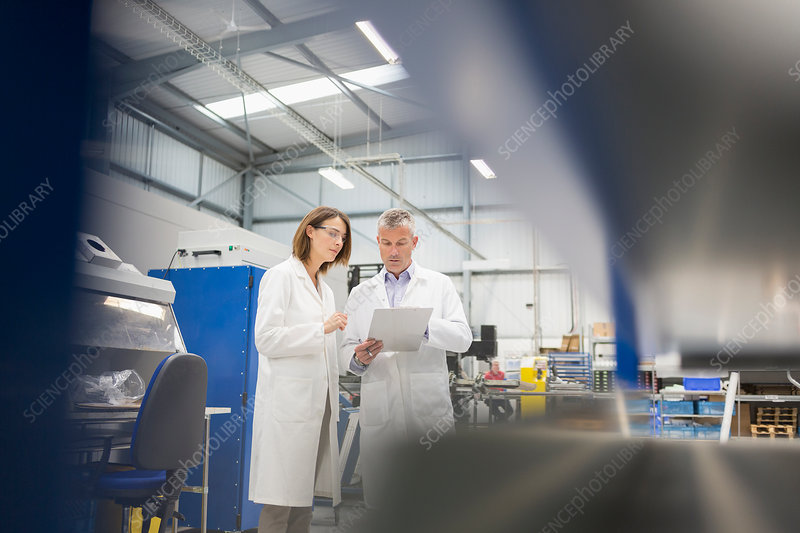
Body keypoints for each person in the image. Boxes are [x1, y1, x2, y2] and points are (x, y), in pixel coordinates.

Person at [340, 208, 473, 506]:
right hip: (381, 412)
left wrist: (424, 327)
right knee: (384, 504)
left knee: (432, 503)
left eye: (401, 242)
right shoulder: (360, 293)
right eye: (386, 243)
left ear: (414, 242)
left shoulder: (438, 285)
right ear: (378, 242)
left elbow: (463, 338)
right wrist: (357, 358)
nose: (394, 251)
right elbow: (345, 348)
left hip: (427, 414)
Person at [249, 206, 351, 533]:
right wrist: (320, 329)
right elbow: (265, 339)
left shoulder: (327, 288)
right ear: (310, 230)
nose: (338, 242)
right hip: (287, 407)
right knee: (280, 501)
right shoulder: (280, 276)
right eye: (332, 233)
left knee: (304, 501)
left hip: (318, 406)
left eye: (343, 237)